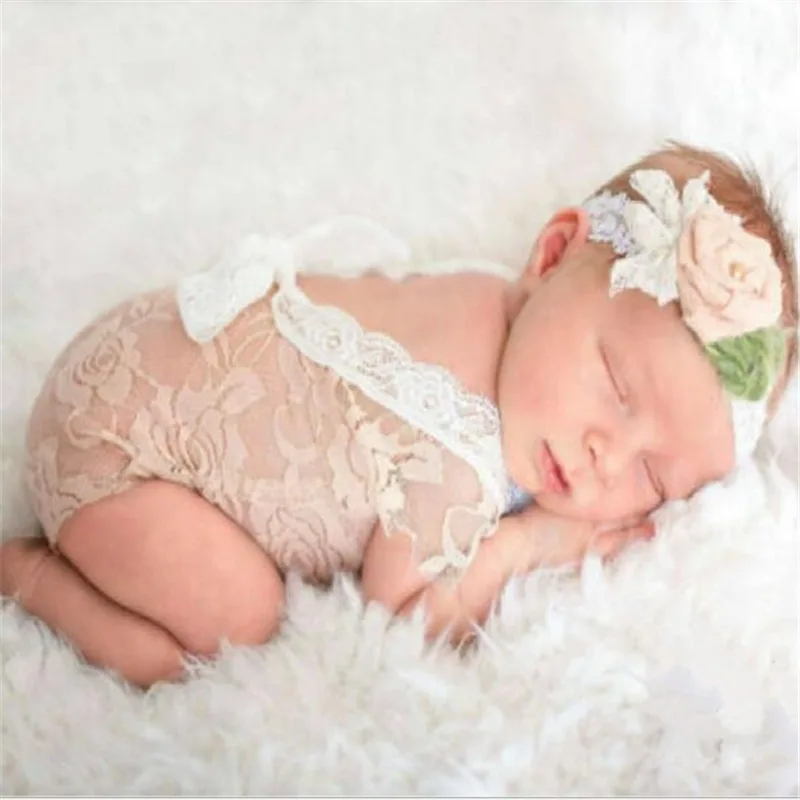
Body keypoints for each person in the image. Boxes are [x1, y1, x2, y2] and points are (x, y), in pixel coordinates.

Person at [1, 143, 795, 687]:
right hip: (116, 453)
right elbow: (402, 617)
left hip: (130, 348)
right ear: (551, 255)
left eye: (653, 476)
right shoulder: (456, 441)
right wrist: (529, 542)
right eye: (616, 385)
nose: (606, 456)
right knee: (234, 632)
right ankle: (25, 572)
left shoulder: (488, 296)